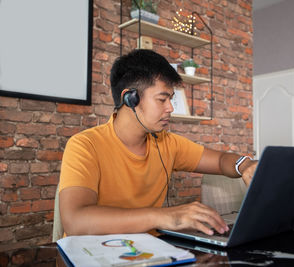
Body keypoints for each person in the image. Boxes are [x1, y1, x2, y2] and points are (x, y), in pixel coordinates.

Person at [59, 49, 258, 237]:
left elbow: (221, 160)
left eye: (170, 99)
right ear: (130, 98)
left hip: (150, 255)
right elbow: (75, 221)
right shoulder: (85, 145)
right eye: (162, 99)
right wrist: (163, 216)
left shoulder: (167, 143)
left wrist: (245, 165)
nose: (170, 108)